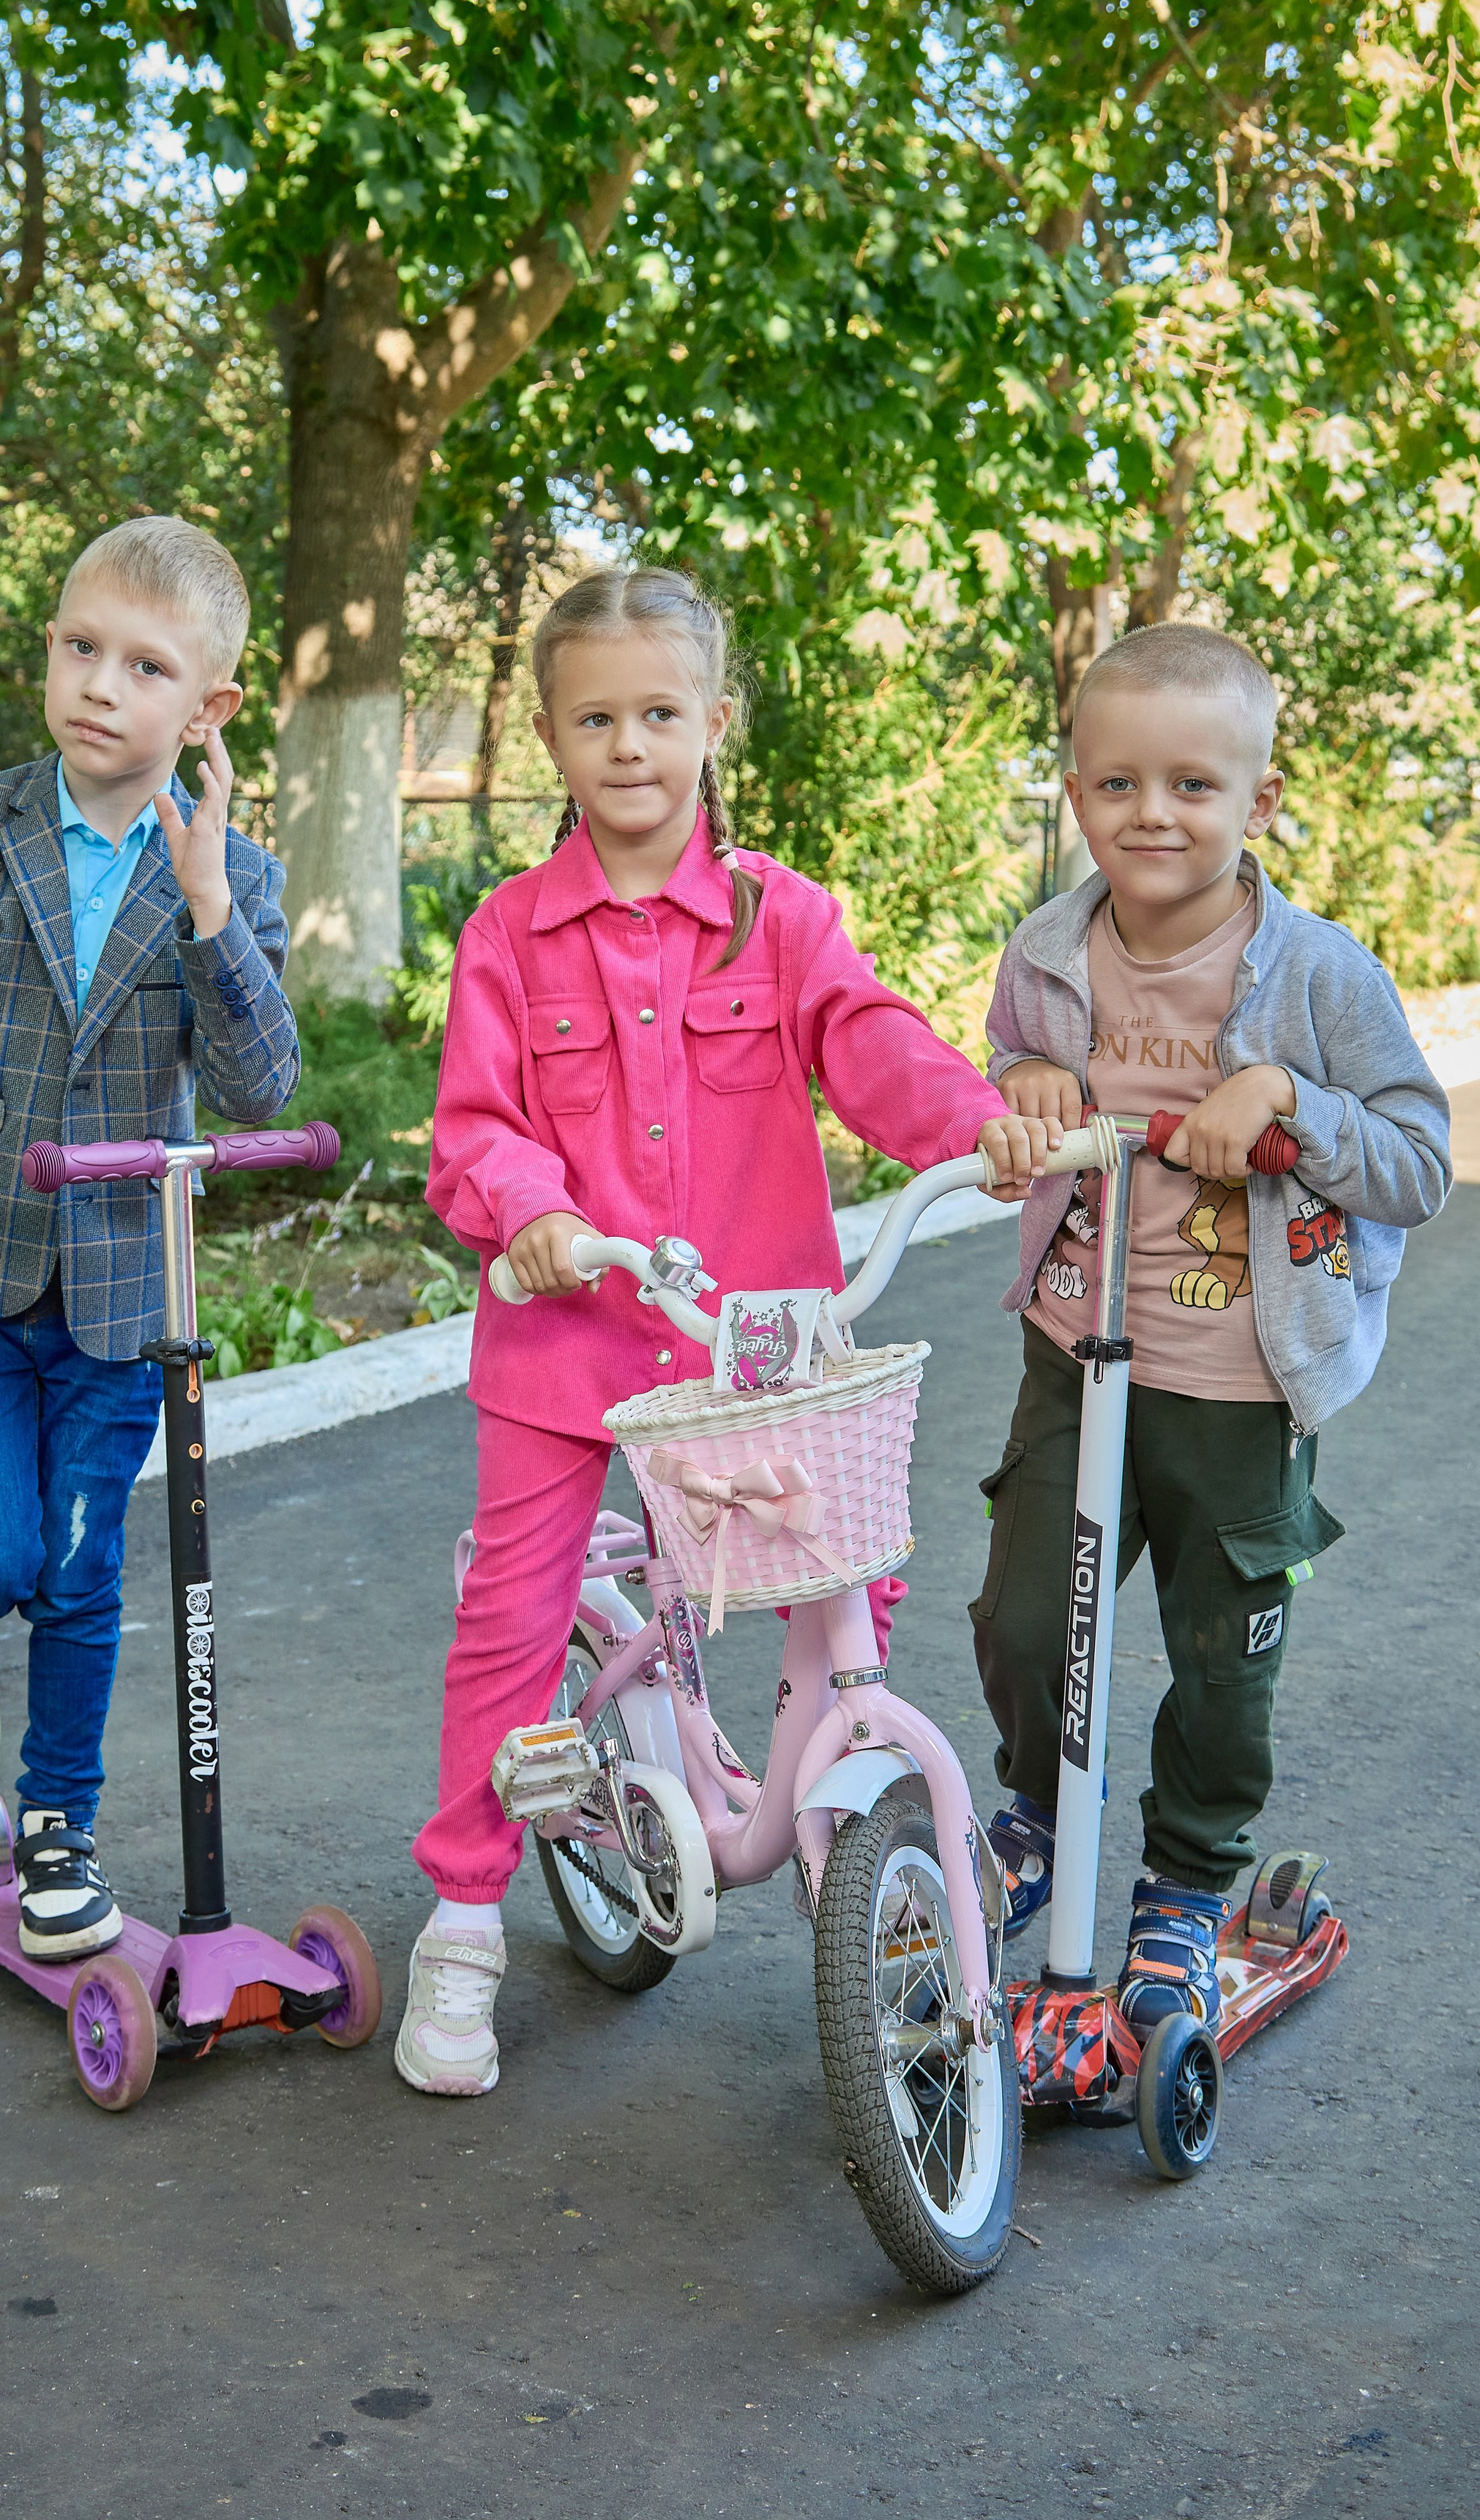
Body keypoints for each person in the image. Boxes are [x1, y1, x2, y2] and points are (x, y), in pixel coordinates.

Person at [397, 564, 1017, 2095]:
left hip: (760, 1346)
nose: (627, 746)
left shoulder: (778, 917)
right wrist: (527, 1208)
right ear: (549, 736)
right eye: (594, 717)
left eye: (658, 714)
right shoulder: (508, 936)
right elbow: (473, 1128)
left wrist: (978, 1125)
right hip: (567, 1345)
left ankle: (844, 1869)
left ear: (710, 723)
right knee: (513, 1617)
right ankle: (463, 1919)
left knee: (838, 1591)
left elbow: (865, 1042)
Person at [968, 621, 1451, 2036]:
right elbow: (1007, 1065)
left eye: (1192, 784)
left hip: (1240, 1381)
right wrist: (1030, 1081)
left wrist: (1293, 1105)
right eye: (1117, 785)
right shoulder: (1047, 952)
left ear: (1260, 801)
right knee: (1018, 1620)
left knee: (1220, 1664)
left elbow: (1417, 1161)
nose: (1152, 814)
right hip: (1074, 1350)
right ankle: (1039, 1815)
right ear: (1075, 792)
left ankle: (1186, 1882)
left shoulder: (1319, 976)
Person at [0, 517, 299, 1961]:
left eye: (146, 665)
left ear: (209, 708)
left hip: (122, 1288)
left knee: (83, 1567)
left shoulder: (230, 872)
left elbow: (257, 1089)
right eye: (79, 647)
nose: (102, 684)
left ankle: (59, 1829)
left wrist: (216, 914)